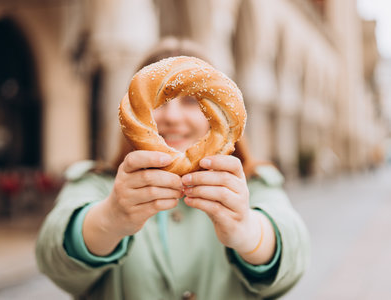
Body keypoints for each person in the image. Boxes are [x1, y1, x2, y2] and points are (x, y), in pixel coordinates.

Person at [36, 37, 310, 299]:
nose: (172, 117)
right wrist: (109, 219)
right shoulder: (99, 184)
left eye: (191, 101)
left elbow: (293, 253)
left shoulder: (252, 185)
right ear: (134, 110)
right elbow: (53, 258)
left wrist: (249, 231)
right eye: (159, 102)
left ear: (218, 111)